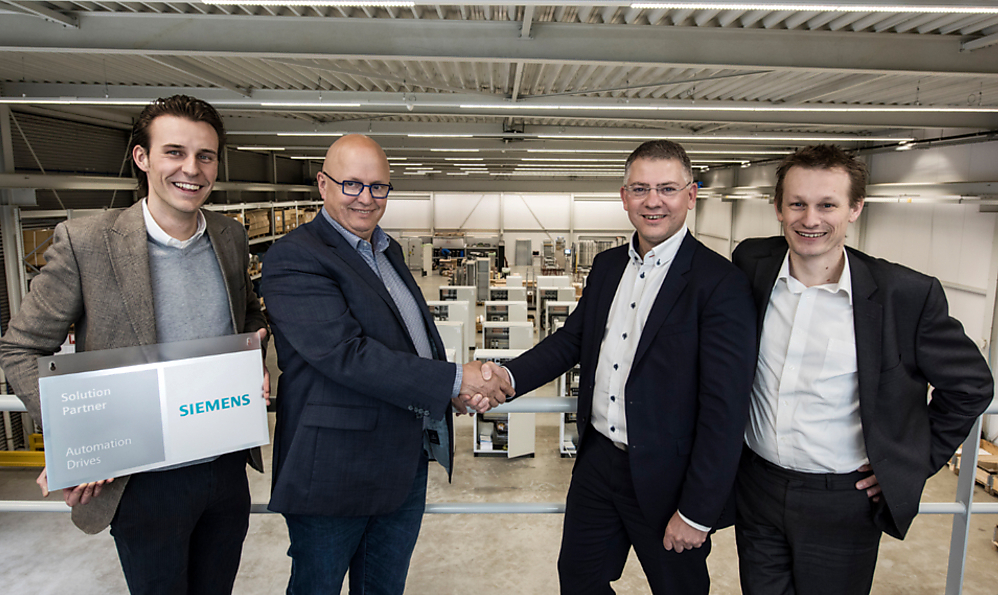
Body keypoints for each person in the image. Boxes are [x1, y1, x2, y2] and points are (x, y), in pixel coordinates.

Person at [0, 94, 270, 594]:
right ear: (142, 158)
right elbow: (20, 348)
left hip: (224, 465)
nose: (192, 169)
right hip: (143, 479)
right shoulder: (86, 242)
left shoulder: (229, 237)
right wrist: (78, 436)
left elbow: (249, 315)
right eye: (175, 152)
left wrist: (255, 349)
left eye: (205, 156)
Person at [484, 139, 757, 594]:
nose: (653, 201)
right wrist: (506, 376)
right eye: (640, 188)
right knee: (579, 579)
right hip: (598, 463)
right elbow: (572, 340)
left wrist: (697, 511)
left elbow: (725, 409)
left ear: (691, 195)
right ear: (624, 196)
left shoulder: (719, 282)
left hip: (670, 477)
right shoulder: (608, 266)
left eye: (667, 189)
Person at [731, 144, 994, 595]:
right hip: (757, 488)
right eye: (797, 204)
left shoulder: (903, 295)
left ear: (855, 208)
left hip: (843, 502)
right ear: (778, 208)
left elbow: (971, 386)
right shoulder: (752, 264)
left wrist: (908, 463)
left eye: (827, 205)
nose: (810, 219)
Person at [260, 133, 511, 595]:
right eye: (352, 184)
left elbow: (409, 341)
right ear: (323, 184)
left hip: (401, 465)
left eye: (378, 187)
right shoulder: (295, 257)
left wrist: (445, 389)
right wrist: (455, 379)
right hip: (334, 472)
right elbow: (346, 354)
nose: (366, 198)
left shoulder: (386, 249)